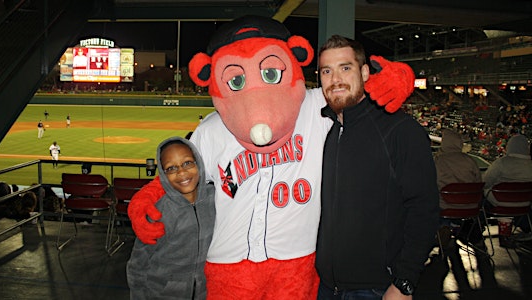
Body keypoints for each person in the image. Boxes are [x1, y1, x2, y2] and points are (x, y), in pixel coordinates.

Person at [129, 16, 413, 299]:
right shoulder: (212, 130)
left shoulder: (314, 106)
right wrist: (147, 197)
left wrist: (390, 80)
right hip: (229, 262)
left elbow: (352, 93)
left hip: (297, 261)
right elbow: (179, 174)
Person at [316, 35, 439, 299]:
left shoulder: (400, 130)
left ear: (364, 72)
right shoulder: (327, 127)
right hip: (326, 286)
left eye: (345, 68)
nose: (335, 79)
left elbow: (424, 210)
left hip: (377, 289)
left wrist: (405, 282)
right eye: (327, 71)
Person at [126, 136, 215, 299]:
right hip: (163, 294)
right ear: (163, 175)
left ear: (199, 163)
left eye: (187, 163)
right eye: (171, 168)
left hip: (206, 293)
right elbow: (138, 265)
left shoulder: (216, 200)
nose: (181, 172)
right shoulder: (158, 211)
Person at [433, 128, 483, 247]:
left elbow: (429, 183)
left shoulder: (438, 161)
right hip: (471, 206)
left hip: (444, 206)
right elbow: (479, 182)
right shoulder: (470, 161)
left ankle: (444, 226)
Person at [482, 134, 532, 248]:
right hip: (524, 205)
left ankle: (474, 229)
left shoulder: (501, 163)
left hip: (499, 203)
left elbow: (486, 182)